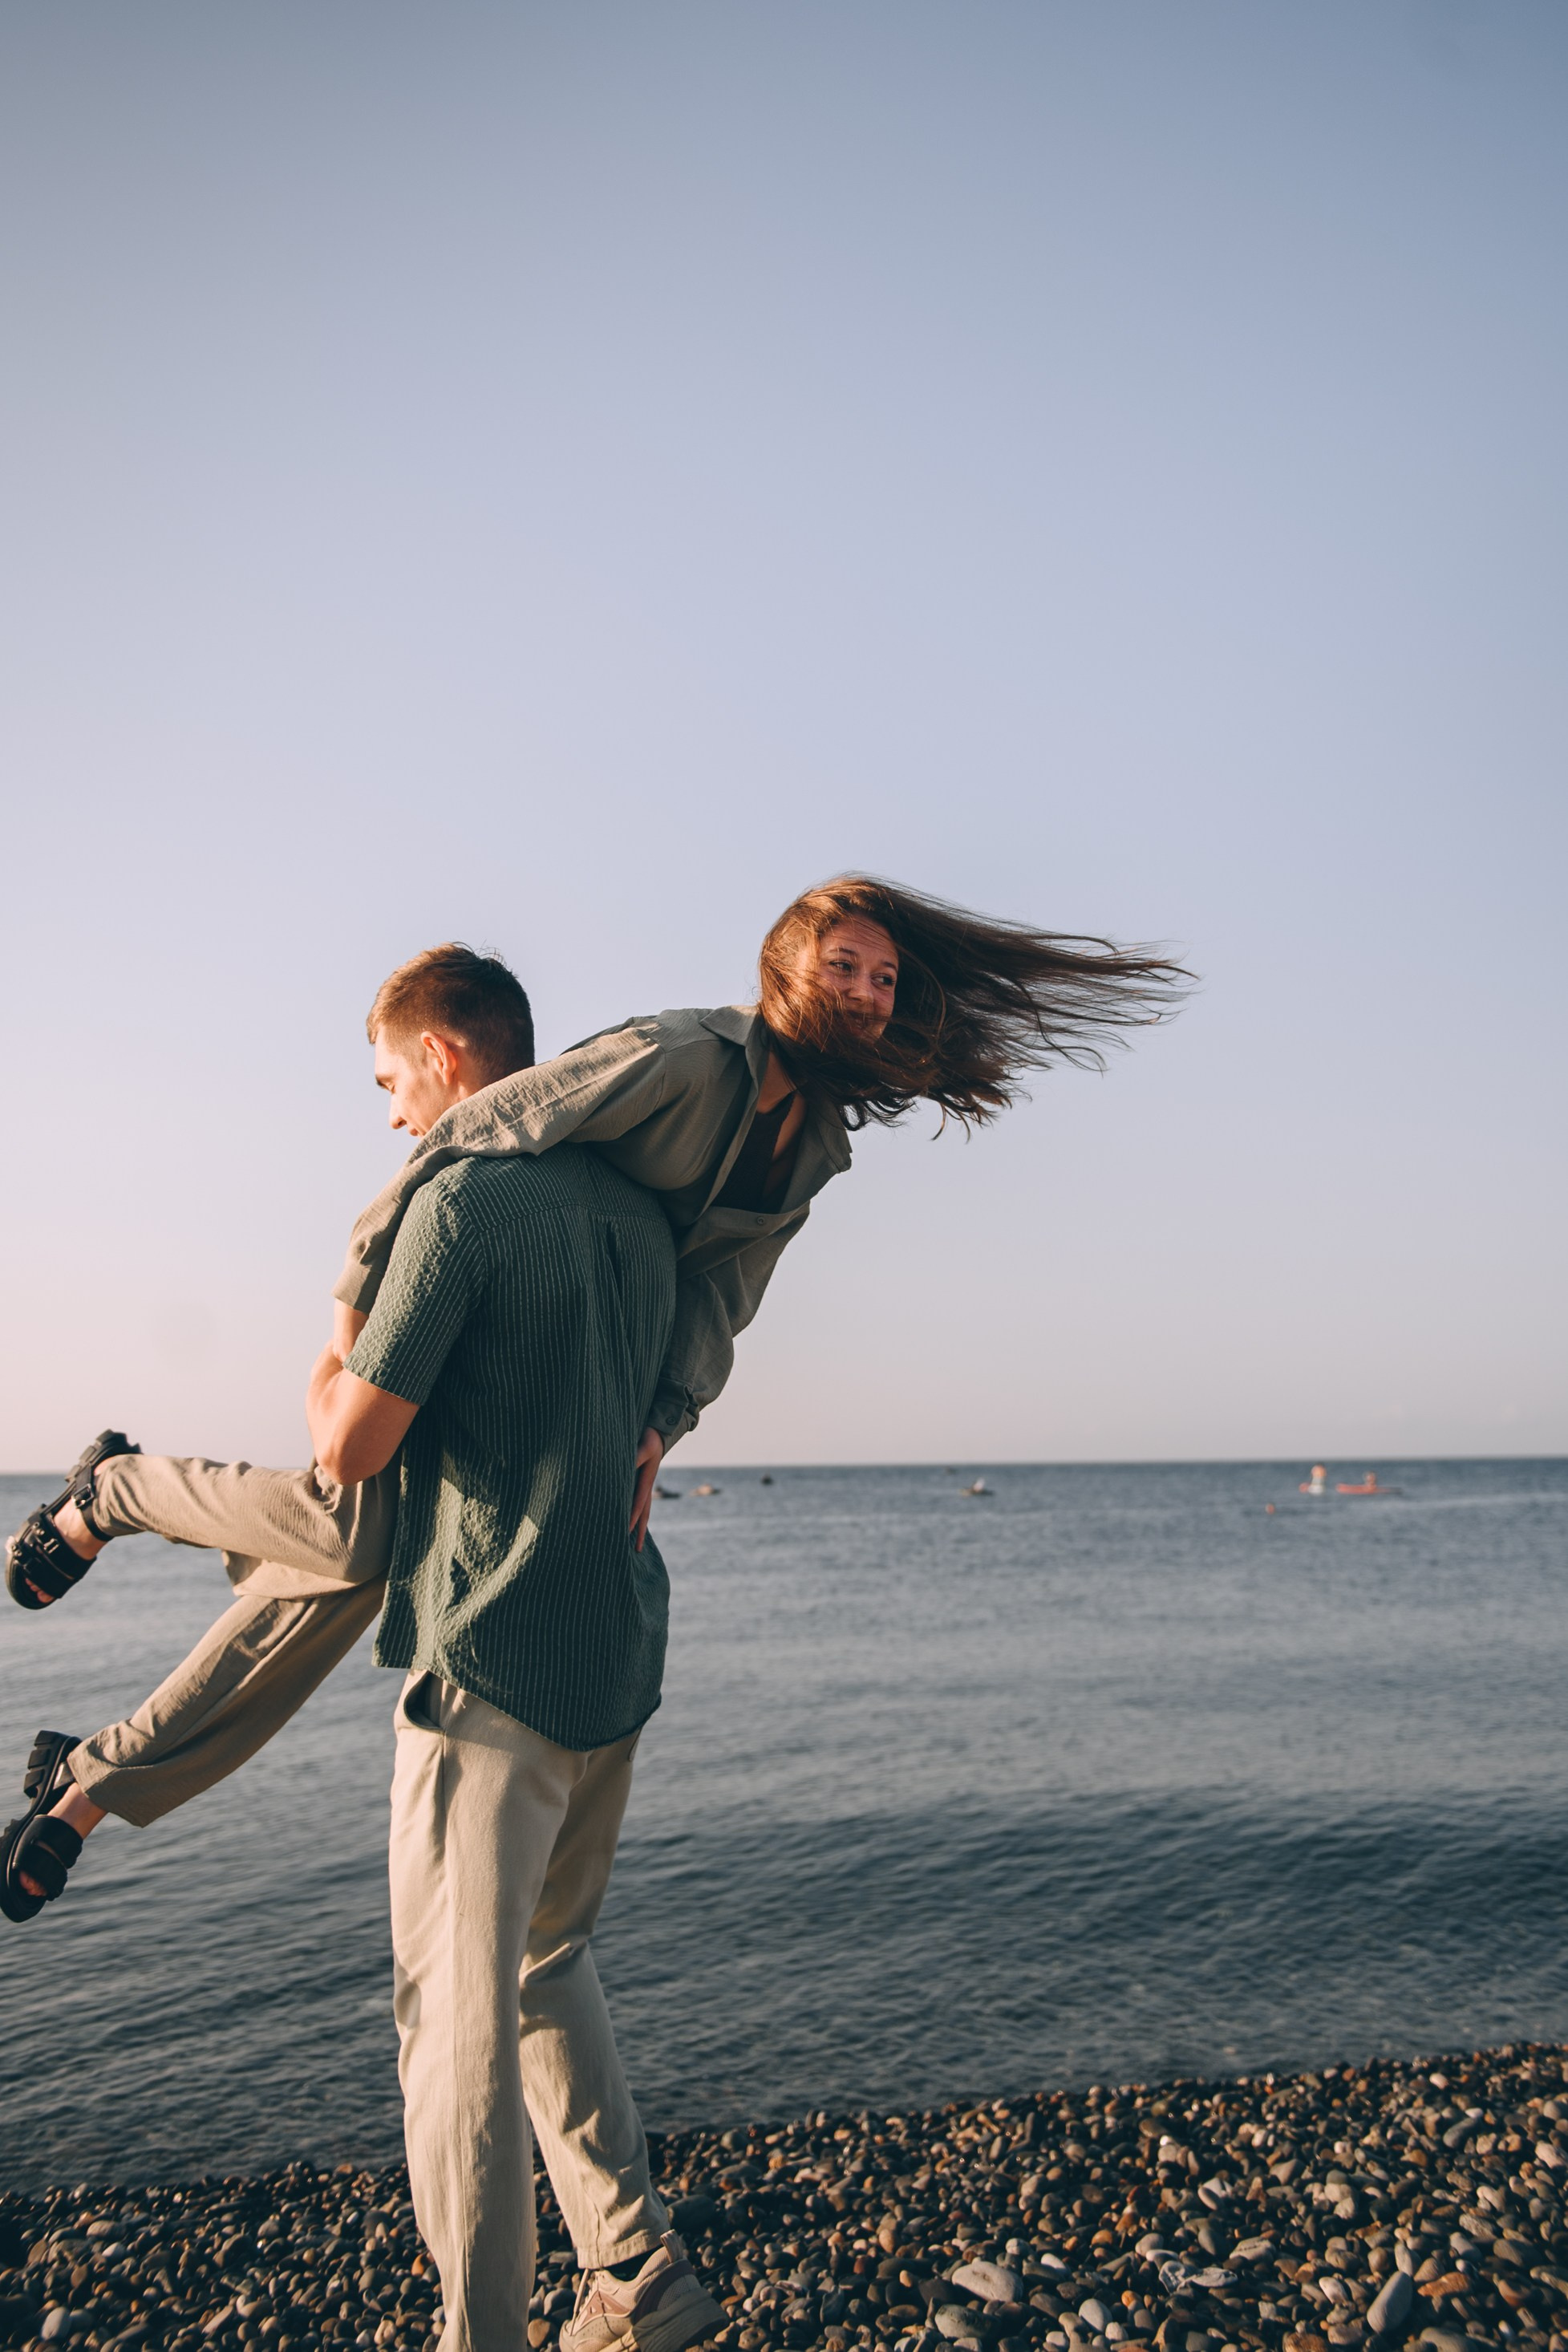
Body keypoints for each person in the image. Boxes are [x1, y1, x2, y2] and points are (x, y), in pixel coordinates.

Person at [3, 877, 1189, 1913]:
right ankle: (111, 1512)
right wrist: (352, 1304)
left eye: (885, 977)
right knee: (348, 1527)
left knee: (345, 1552)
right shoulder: (679, 1054)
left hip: (552, 1352)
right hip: (467, 1292)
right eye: (847, 965)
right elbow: (472, 1137)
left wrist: (661, 1425)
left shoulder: (815, 1141)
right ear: (782, 969)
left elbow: (722, 1294)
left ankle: (92, 1771)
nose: (874, 991)